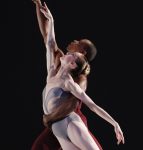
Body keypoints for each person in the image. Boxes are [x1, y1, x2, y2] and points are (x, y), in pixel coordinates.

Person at [31, 1, 125, 149]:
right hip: (57, 126)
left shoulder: (76, 79)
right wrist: (49, 17)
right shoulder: (53, 71)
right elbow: (49, 41)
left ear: (79, 56)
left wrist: (115, 123)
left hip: (66, 119)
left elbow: (81, 103)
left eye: (77, 45)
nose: (73, 42)